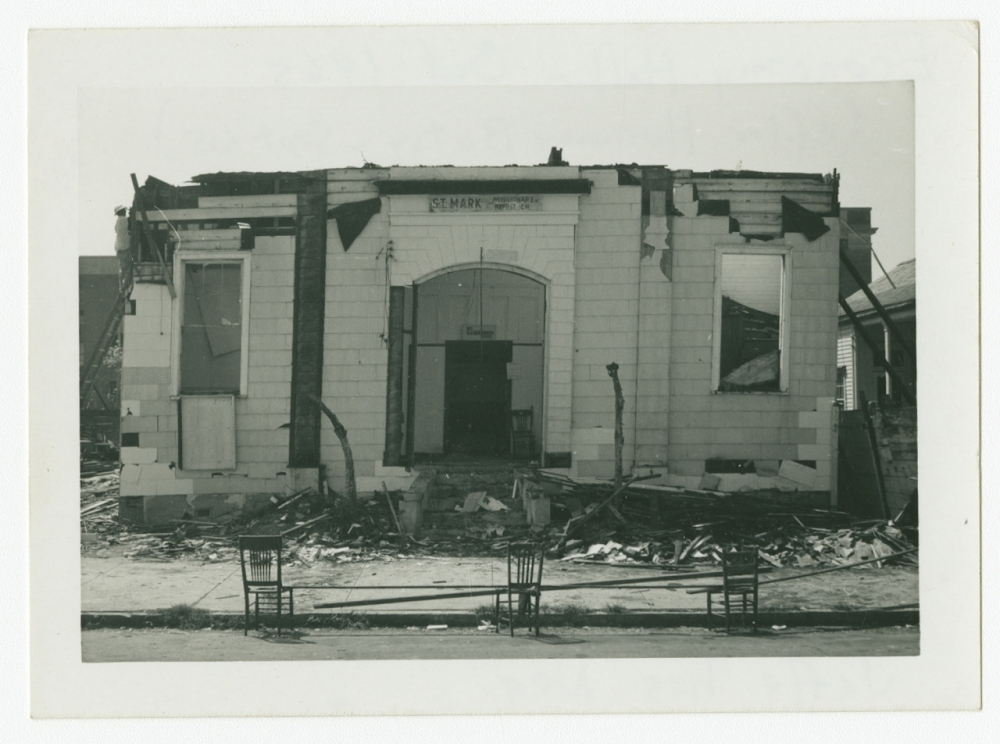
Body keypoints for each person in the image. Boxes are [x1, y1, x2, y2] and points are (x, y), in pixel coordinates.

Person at [114, 204, 132, 289]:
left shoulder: (118, 221)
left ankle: (121, 286)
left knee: (122, 269)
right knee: (128, 269)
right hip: (125, 248)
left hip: (119, 249)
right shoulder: (125, 220)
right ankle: (124, 287)